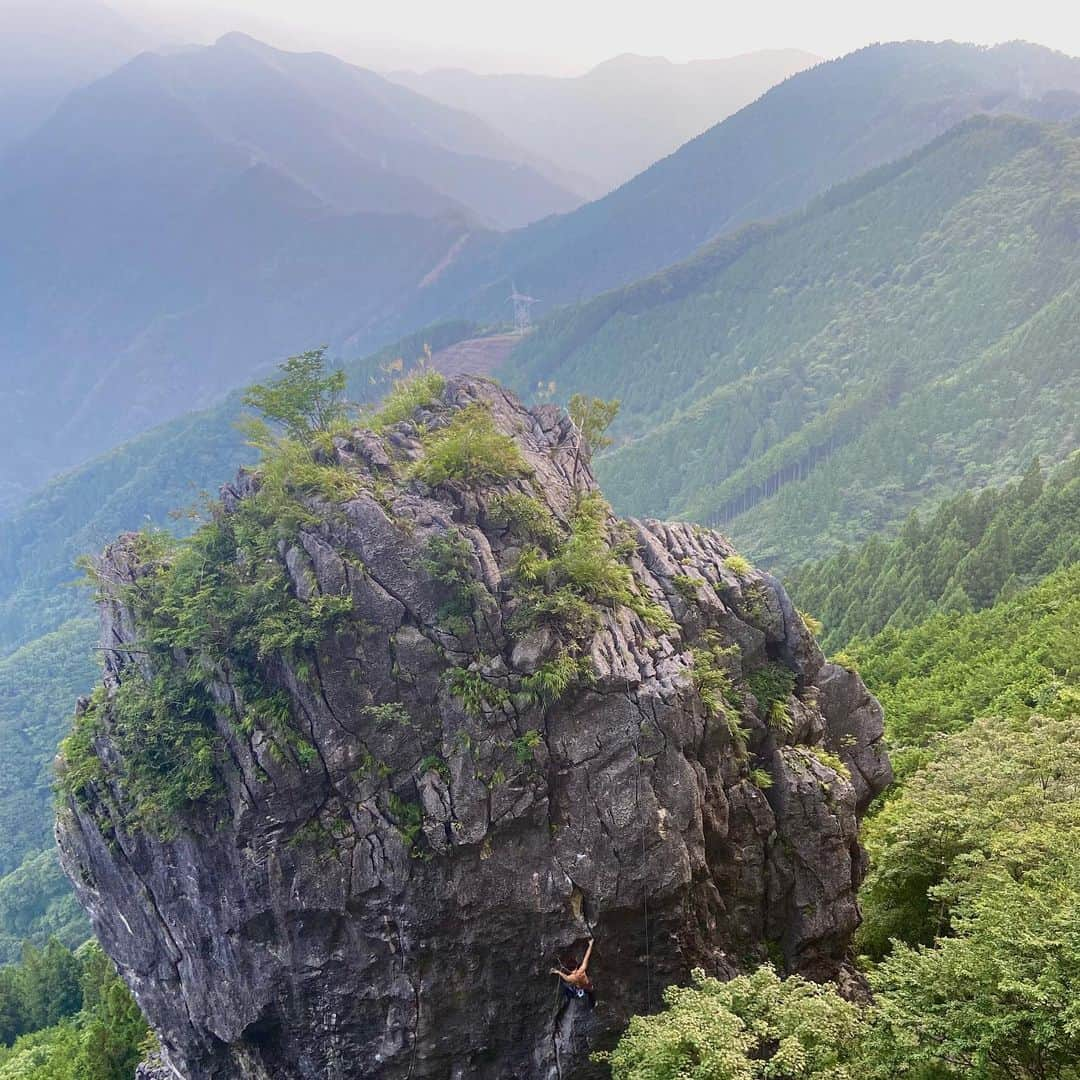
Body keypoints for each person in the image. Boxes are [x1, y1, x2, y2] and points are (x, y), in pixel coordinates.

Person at [551, 938, 595, 1008]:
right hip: (588, 986)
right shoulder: (582, 970)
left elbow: (564, 977)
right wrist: (590, 944)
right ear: (577, 967)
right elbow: (587, 956)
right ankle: (593, 1004)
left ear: (569, 970)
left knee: (567, 988)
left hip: (580, 988)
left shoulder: (571, 978)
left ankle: (571, 999)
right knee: (590, 994)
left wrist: (557, 971)